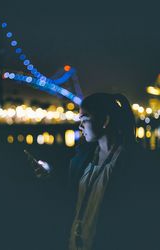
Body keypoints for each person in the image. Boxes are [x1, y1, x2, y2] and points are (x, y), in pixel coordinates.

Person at [29, 93, 158, 250]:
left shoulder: (135, 165)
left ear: (105, 121)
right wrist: (48, 175)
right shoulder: (82, 158)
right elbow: (72, 194)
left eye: (84, 119)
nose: (80, 126)